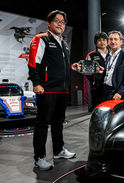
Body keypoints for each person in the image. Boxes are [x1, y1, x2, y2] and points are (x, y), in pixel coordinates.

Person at [27, 10, 76, 170]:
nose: (60, 24)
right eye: (56, 20)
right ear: (49, 23)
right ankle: (39, 157)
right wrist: (36, 83)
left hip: (62, 90)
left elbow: (59, 66)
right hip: (46, 89)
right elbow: (34, 62)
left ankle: (58, 150)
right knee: (42, 124)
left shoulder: (65, 44)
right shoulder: (41, 39)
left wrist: (71, 67)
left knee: (58, 123)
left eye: (63, 22)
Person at [72, 32, 109, 111]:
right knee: (98, 110)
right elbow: (86, 71)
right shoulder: (91, 55)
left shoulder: (113, 54)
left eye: (104, 40)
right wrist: (94, 80)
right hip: (97, 87)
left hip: (111, 87)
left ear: (107, 41)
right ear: (96, 43)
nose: (102, 42)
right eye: (99, 40)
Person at [102, 31, 124, 100]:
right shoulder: (108, 57)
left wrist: (120, 92)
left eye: (116, 39)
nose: (113, 41)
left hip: (118, 93)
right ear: (108, 42)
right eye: (111, 39)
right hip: (106, 91)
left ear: (121, 42)